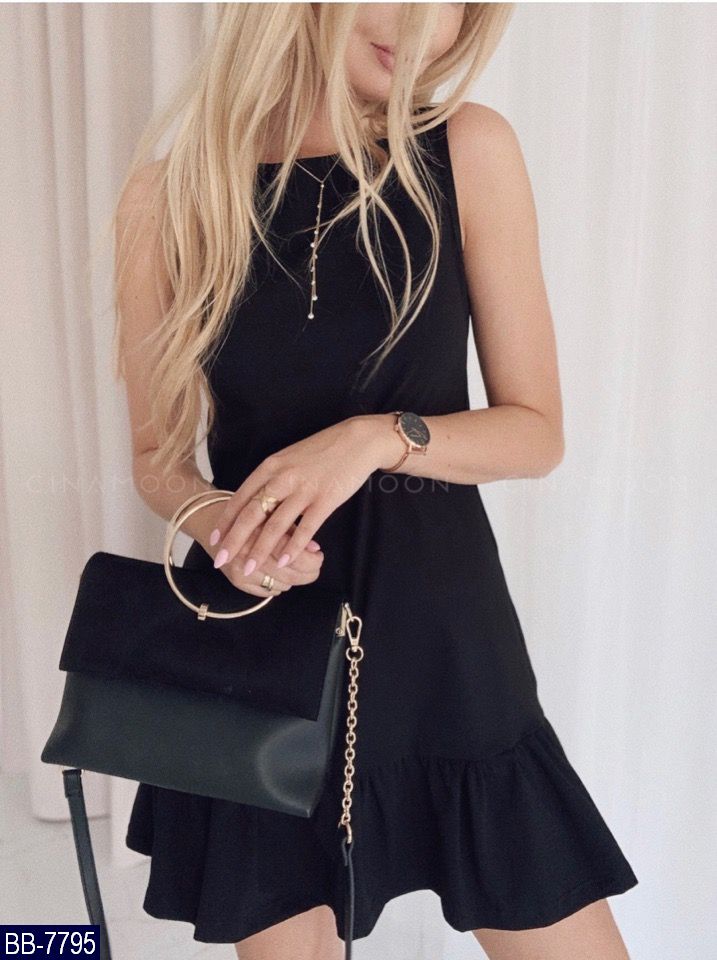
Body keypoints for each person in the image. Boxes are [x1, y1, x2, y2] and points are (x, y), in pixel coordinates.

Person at [113, 4, 638, 959]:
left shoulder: (465, 151)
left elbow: (535, 434)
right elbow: (156, 457)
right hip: (257, 632)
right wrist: (222, 518)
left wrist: (374, 439)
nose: (428, 29)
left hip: (444, 636)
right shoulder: (170, 195)